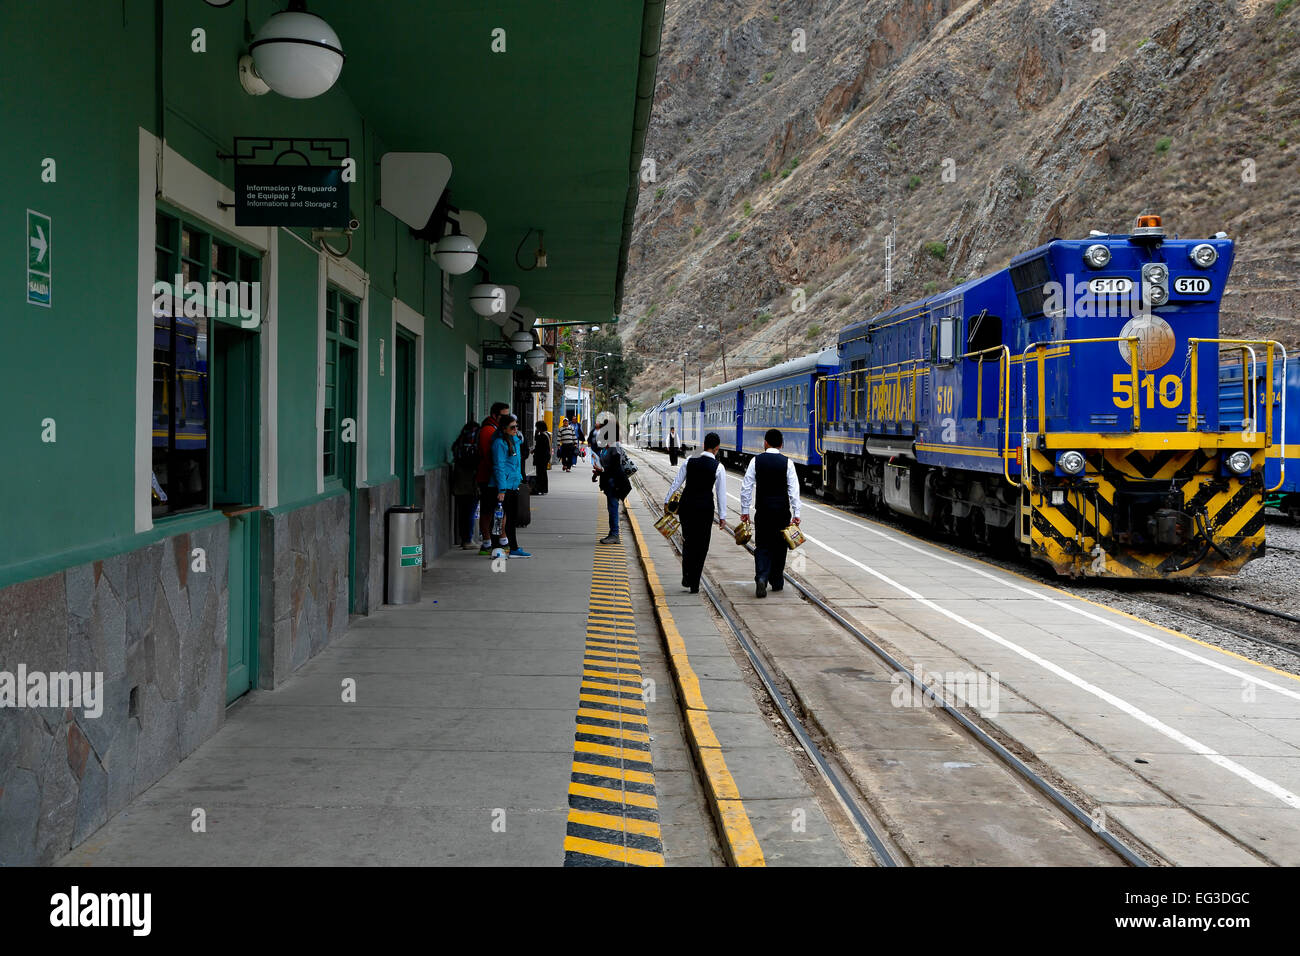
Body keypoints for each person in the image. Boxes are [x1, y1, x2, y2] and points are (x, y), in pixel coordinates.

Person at [739, 428, 801, 598]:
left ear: (765, 443)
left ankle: (761, 577)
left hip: (763, 511)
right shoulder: (787, 463)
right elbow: (793, 490)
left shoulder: (755, 461)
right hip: (782, 512)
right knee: (780, 546)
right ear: (781, 444)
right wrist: (796, 513)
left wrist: (745, 510)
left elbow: (746, 487)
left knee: (763, 545)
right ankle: (777, 581)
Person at [665, 432, 727, 593]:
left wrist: (667, 501)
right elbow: (721, 494)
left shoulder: (689, 461)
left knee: (688, 541)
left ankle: (687, 575)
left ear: (704, 445)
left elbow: (676, 482)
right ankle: (694, 582)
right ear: (717, 448)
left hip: (687, 507)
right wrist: (722, 517)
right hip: (705, 509)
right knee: (702, 545)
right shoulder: (718, 467)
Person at [491, 414, 530, 558]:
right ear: (504, 429)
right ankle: (496, 548)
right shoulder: (499, 443)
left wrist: (518, 478)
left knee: (511, 519)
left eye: (516, 426)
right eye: (512, 427)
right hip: (503, 486)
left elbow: (516, 464)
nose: (515, 429)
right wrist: (501, 489)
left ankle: (513, 548)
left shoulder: (515, 441)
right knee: (498, 518)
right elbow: (499, 466)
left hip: (513, 485)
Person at [477, 401, 510, 554]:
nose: (507, 419)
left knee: (496, 510)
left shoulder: (496, 430)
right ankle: (488, 541)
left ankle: (494, 540)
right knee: (489, 511)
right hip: (488, 479)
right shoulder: (489, 432)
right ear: (495, 415)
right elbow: (492, 459)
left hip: (495, 478)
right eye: (504, 416)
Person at [592, 415, 630, 544]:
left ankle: (614, 534)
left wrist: (601, 470)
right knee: (611, 507)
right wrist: (597, 472)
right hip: (609, 481)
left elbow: (615, 467)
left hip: (614, 483)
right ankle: (612, 533)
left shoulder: (614, 446)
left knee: (613, 507)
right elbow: (606, 465)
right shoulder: (608, 446)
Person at [451, 420, 480, 549]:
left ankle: (464, 538)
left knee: (462, 511)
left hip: (458, 481)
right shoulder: (476, 445)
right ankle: (468, 539)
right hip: (471, 482)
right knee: (471, 511)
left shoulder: (459, 443)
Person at [532, 420, 551, 495]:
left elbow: (539, 445)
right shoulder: (547, 434)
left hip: (541, 457)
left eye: (537, 427)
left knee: (540, 473)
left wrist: (536, 433)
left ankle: (540, 488)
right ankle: (544, 489)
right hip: (545, 457)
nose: (536, 428)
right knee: (543, 473)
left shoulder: (542, 436)